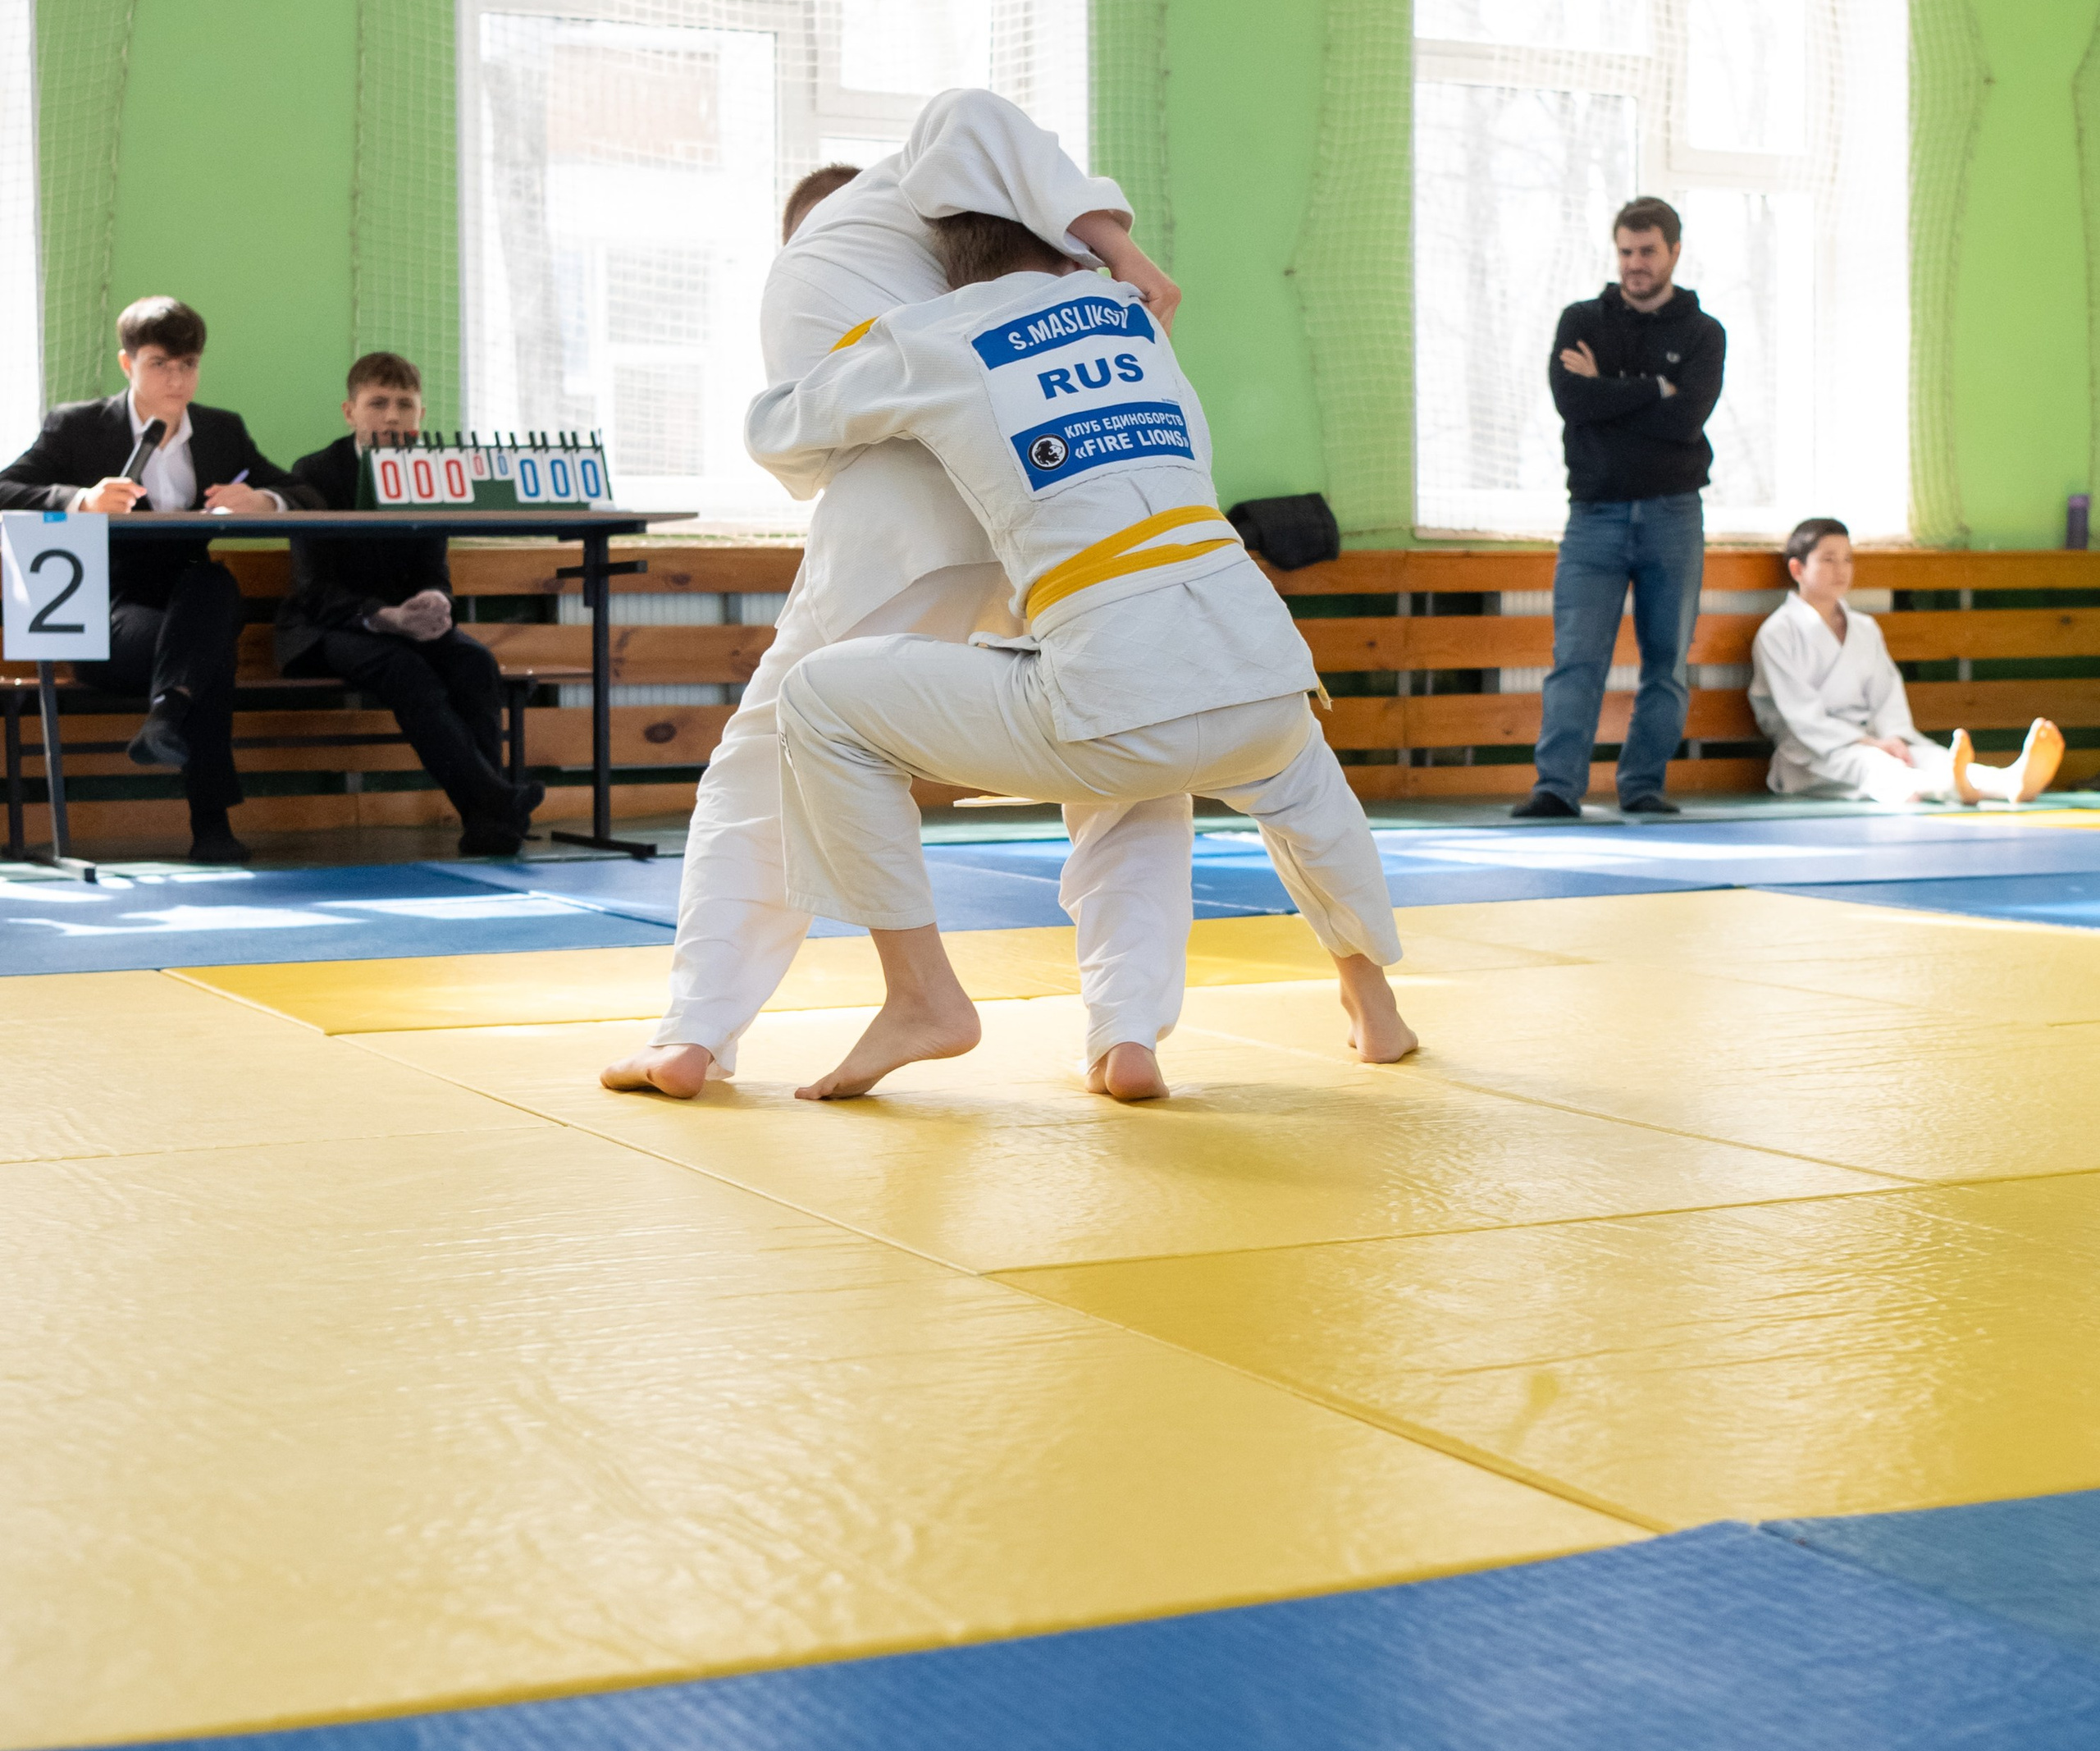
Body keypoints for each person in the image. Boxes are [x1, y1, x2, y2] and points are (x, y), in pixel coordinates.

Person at [601, 89, 1205, 1106]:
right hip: (1075, 495)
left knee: (770, 755)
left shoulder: (832, 249)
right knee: (1128, 747)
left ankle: (696, 1032)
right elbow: (979, 128)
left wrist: (1131, 264)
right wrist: (1124, 261)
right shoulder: (967, 269)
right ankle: (1128, 1027)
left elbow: (802, 443)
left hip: (915, 514)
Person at [745, 207, 1413, 1103]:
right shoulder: (1133, 315)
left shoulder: (937, 330)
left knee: (817, 699)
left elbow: (779, 425)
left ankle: (920, 995)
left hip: (1113, 697)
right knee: (1305, 794)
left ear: (950, 271)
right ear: (1071, 249)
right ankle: (1362, 1005)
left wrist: (869, 338)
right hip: (1262, 669)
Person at [0, 295, 301, 862]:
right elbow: (4, 489)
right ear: (127, 364)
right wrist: (79, 500)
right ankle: (210, 826)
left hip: (189, 603)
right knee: (211, 650)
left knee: (214, 589)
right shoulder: (78, 427)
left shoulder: (220, 431)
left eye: (188, 364)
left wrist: (265, 498)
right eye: (160, 363)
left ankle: (166, 715)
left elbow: (308, 494)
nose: (177, 378)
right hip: (99, 615)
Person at [275, 351, 546, 856]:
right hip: (330, 628)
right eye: (378, 403)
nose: (393, 416)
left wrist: (435, 602)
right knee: (406, 671)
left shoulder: (430, 474)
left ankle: (489, 823)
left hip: (410, 625)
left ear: (422, 417)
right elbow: (313, 589)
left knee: (474, 662)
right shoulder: (314, 472)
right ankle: (496, 802)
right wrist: (384, 616)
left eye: (405, 404)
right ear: (350, 412)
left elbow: (433, 571)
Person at [1517, 199, 1727, 823]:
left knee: (1666, 661)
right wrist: (1652, 390)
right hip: (1594, 517)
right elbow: (1571, 401)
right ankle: (1557, 788)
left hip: (1674, 515)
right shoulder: (1581, 319)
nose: (1636, 264)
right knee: (1576, 659)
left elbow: (1688, 417)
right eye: (1626, 252)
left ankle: (1642, 785)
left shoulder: (1703, 332)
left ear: (1674, 253)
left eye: (1648, 252)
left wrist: (1608, 389)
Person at [1751, 518, 2065, 807]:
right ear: (1797, 570)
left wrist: (1893, 739)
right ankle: (1948, 789)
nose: (1841, 569)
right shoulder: (1777, 633)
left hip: (1876, 736)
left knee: (1928, 756)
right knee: (1875, 765)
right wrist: (1871, 743)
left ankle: (2009, 781)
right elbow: (1802, 717)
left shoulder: (1864, 628)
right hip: (1811, 753)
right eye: (1828, 559)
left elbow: (1887, 695)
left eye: (1848, 558)